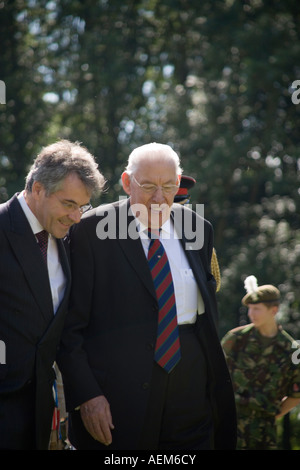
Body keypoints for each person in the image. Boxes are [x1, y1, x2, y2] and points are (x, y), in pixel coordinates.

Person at [57, 142, 236, 450]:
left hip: (191, 380)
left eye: (168, 186)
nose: (159, 197)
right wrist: (86, 395)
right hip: (118, 394)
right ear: (127, 183)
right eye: (149, 186)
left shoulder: (198, 228)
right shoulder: (91, 231)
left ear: (178, 184)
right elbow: (70, 329)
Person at [0, 139, 105, 449]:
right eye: (68, 204)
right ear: (37, 190)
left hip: (39, 416)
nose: (76, 217)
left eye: (82, 206)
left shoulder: (68, 238)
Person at [221, 275, 300, 450]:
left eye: (256, 309)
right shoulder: (235, 339)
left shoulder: (291, 349)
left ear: (273, 310)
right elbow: (213, 374)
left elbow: (297, 392)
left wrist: (272, 413)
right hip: (228, 423)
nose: (251, 314)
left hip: (264, 432)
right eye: (249, 309)